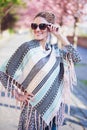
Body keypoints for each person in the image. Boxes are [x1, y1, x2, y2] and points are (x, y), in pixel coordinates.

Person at [0, 11, 81, 130]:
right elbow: (3, 72)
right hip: (33, 113)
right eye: (34, 25)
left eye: (42, 26)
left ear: (50, 28)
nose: (37, 29)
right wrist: (17, 95)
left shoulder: (56, 52)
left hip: (54, 111)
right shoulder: (27, 48)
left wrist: (60, 36)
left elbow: (76, 58)